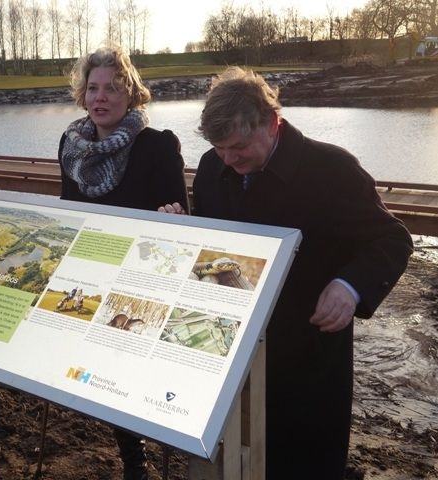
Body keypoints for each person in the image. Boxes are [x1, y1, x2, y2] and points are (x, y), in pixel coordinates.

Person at [161, 66, 413, 480]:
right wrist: (182, 232)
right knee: (235, 462)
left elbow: (392, 239)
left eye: (239, 147)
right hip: (230, 352)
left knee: (304, 464)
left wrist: (350, 286)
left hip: (306, 359)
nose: (229, 159)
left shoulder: (332, 169)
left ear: (272, 122)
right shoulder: (210, 167)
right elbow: (213, 246)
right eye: (219, 148)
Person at [58, 46, 189, 480]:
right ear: (83, 94)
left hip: (142, 276)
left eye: (112, 89)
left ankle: (147, 449)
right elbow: (68, 210)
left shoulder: (157, 145)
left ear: (130, 94)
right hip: (93, 270)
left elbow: (181, 218)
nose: (101, 97)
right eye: (93, 88)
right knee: (104, 370)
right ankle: (134, 456)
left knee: (136, 369)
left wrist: (172, 219)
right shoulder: (70, 146)